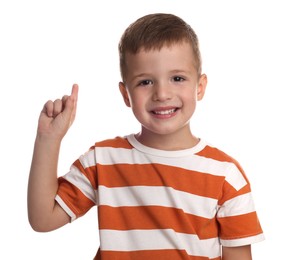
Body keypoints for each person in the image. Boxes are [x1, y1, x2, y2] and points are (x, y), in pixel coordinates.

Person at [28, 13, 265, 260]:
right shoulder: (102, 160)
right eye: (145, 82)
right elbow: (43, 219)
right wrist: (48, 139)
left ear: (200, 87)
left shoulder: (226, 175)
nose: (162, 93)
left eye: (177, 78)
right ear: (126, 94)